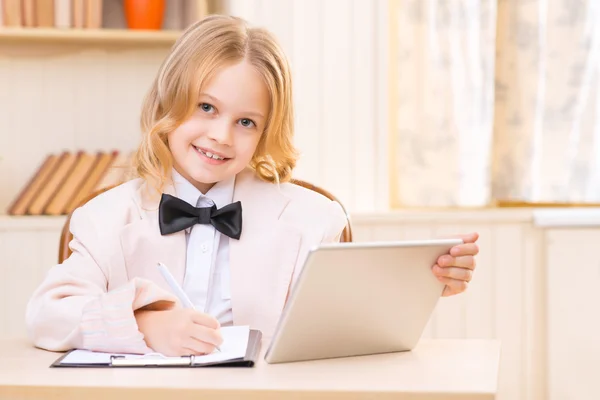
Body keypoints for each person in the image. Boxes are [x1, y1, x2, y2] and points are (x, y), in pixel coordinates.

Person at [25, 15, 479, 357]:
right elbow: (46, 316)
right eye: (205, 107)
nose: (221, 135)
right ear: (169, 103)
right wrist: (144, 327)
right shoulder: (104, 218)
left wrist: (421, 285)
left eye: (245, 121)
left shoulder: (312, 219)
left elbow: (339, 324)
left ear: (266, 132)